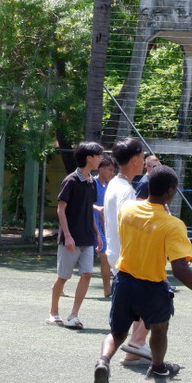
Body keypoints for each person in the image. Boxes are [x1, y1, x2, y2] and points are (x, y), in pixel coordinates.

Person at [92, 166, 192, 383]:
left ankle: (103, 362)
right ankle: (159, 368)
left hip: (123, 281)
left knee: (118, 332)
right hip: (151, 287)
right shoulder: (172, 225)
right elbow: (180, 270)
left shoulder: (128, 209)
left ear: (148, 185)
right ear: (171, 191)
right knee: (160, 328)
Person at [102, 138, 154, 365]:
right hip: (127, 254)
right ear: (134, 159)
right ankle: (135, 345)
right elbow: (131, 224)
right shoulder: (125, 190)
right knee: (158, 301)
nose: (144, 162)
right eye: (142, 158)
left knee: (138, 304)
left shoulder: (115, 184)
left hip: (116, 252)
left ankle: (134, 349)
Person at [49, 141, 104, 329]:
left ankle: (73, 315)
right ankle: (53, 313)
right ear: (89, 158)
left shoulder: (91, 181)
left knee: (87, 274)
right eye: (99, 156)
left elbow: (89, 209)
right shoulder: (70, 180)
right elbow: (61, 209)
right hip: (70, 239)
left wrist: (97, 233)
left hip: (87, 237)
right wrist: (68, 235)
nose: (101, 159)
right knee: (63, 277)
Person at [93, 154, 116, 298]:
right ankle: (107, 290)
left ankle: (108, 289)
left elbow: (102, 211)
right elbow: (84, 204)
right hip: (88, 225)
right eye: (109, 170)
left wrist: (105, 227)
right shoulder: (92, 183)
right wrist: (97, 209)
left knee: (105, 256)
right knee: (105, 256)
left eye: (113, 170)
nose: (111, 173)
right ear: (100, 169)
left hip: (98, 227)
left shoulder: (106, 186)